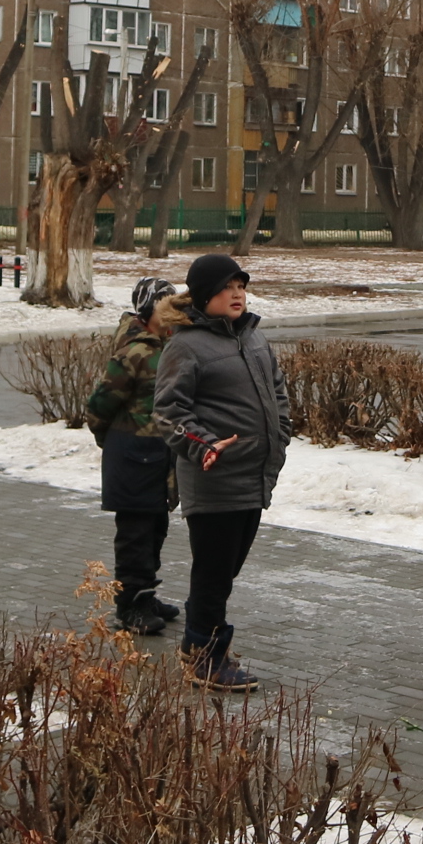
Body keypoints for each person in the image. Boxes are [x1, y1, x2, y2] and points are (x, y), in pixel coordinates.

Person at [155, 252, 290, 691]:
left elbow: (277, 392)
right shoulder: (185, 345)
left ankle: (199, 644)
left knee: (224, 571)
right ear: (203, 296)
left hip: (255, 476)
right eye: (226, 288)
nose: (237, 294)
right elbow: (169, 411)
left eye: (241, 286)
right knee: (213, 574)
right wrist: (204, 444)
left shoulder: (253, 338)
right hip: (213, 479)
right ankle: (206, 658)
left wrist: (280, 434)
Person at [86, 276, 187, 636]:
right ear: (149, 310)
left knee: (155, 527)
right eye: (166, 305)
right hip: (132, 457)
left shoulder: (169, 345)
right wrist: (114, 439)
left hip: (158, 456)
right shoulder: (135, 351)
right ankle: (129, 605)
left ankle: (146, 594)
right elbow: (100, 404)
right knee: (135, 534)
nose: (174, 311)